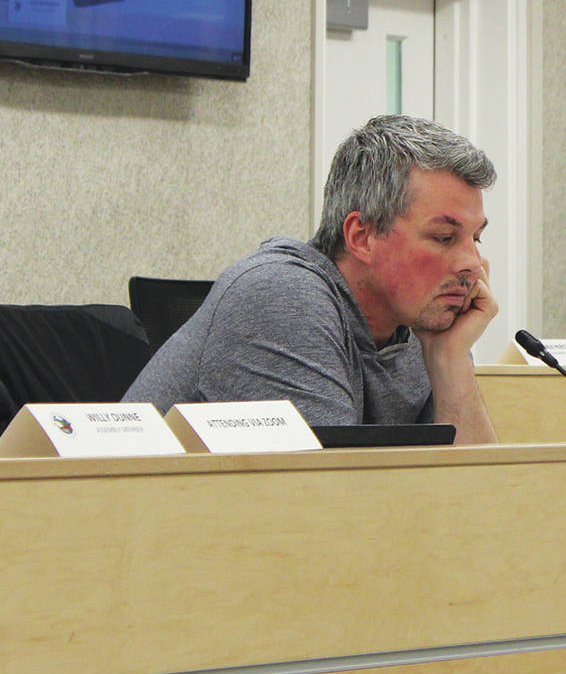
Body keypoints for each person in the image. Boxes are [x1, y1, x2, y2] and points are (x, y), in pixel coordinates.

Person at [124, 115, 498, 443]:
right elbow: (327, 500)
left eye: (475, 237)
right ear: (361, 237)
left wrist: (450, 359)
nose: (472, 263)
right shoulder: (281, 296)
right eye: (444, 238)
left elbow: (478, 499)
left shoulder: (422, 323)